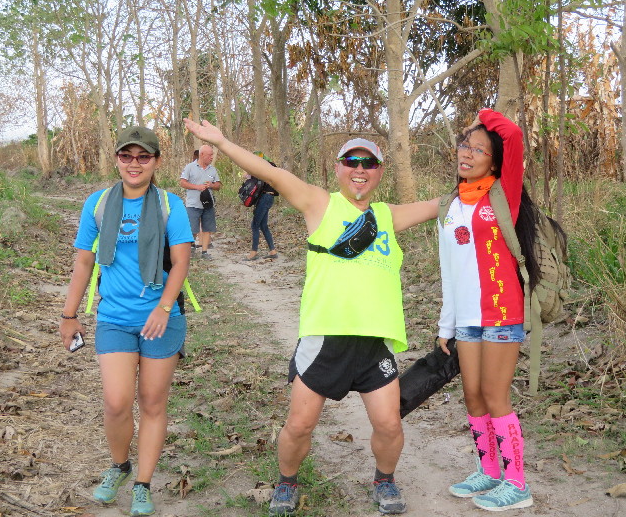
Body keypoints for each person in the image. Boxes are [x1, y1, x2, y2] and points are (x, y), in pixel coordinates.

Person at [184, 117, 439, 516]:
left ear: (379, 172)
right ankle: (287, 482)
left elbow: (445, 204)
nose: (359, 169)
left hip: (375, 342)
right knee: (300, 424)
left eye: (369, 163)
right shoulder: (321, 204)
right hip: (325, 337)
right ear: (338, 168)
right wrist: (222, 142)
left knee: (389, 424)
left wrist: (490, 170)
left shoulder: (388, 215)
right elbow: (271, 173)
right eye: (351, 161)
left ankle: (384, 480)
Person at [58, 126, 194, 517]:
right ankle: (119, 466)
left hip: (161, 319)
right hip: (114, 318)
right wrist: (69, 315)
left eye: (143, 157)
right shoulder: (98, 203)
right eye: (126, 156)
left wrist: (163, 308)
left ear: (156, 162)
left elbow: (181, 262)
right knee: (117, 402)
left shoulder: (170, 205)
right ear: (117, 159)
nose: (134, 164)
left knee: (152, 402)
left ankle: (143, 484)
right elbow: (84, 261)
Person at [437, 108, 553, 511]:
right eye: (464, 145)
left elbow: (513, 135)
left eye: (478, 148)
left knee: (494, 394)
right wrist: (446, 324)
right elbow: (449, 269)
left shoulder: (505, 195)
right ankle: (488, 471)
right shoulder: (451, 206)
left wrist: (482, 116)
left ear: (494, 161)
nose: (466, 153)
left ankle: (517, 483)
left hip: (502, 313)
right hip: (467, 319)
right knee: (473, 396)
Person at [179, 144, 221, 260]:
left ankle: (204, 252)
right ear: (202, 155)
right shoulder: (190, 167)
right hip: (193, 204)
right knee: (192, 228)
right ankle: (191, 248)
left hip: (208, 204)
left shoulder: (212, 169)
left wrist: (212, 185)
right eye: (209, 155)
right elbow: (182, 182)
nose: (212, 157)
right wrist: (197, 187)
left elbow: (218, 185)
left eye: (212, 155)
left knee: (207, 228)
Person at [243, 151, 279, 261]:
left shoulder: (266, 167)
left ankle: (253, 253)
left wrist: (249, 174)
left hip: (265, 197)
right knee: (263, 225)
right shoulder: (271, 166)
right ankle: (272, 251)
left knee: (255, 225)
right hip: (267, 197)